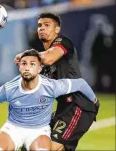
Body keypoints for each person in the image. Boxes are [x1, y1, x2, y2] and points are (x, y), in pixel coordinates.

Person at [0, 49, 97, 151]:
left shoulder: (51, 87)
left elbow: (81, 84)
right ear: (19, 67)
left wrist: (95, 101)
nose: (27, 68)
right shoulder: (9, 88)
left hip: (38, 131)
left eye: (32, 64)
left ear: (39, 68)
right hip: (13, 129)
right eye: (24, 64)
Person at [14, 13, 100, 151]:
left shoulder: (63, 42)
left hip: (78, 106)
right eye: (39, 25)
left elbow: (49, 58)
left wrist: (28, 56)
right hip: (63, 108)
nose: (42, 28)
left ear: (57, 29)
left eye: (47, 25)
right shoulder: (40, 61)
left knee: (49, 147)